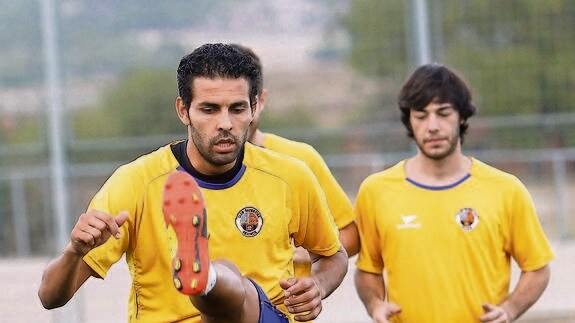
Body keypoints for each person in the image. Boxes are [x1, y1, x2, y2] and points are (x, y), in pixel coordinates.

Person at [38, 43, 348, 323]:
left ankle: (206, 276)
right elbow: (51, 297)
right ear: (183, 110)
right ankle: (207, 276)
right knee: (230, 280)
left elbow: (333, 255)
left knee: (236, 286)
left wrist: (317, 286)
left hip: (261, 315)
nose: (225, 123)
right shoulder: (137, 182)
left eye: (237, 109)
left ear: (254, 108)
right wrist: (75, 253)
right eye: (209, 109)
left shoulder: (289, 175)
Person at [353, 63, 554, 323]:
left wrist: (510, 309)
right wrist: (374, 304)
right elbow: (368, 270)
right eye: (421, 115)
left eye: (443, 113)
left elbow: (537, 268)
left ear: (461, 116)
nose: (432, 126)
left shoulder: (505, 189)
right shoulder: (376, 191)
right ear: (409, 121)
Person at [230, 44, 360, 276]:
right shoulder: (183, 171)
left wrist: (304, 257)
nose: (230, 121)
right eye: (214, 108)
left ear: (261, 100)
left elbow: (348, 234)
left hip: (282, 308)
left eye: (240, 107)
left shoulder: (300, 158)